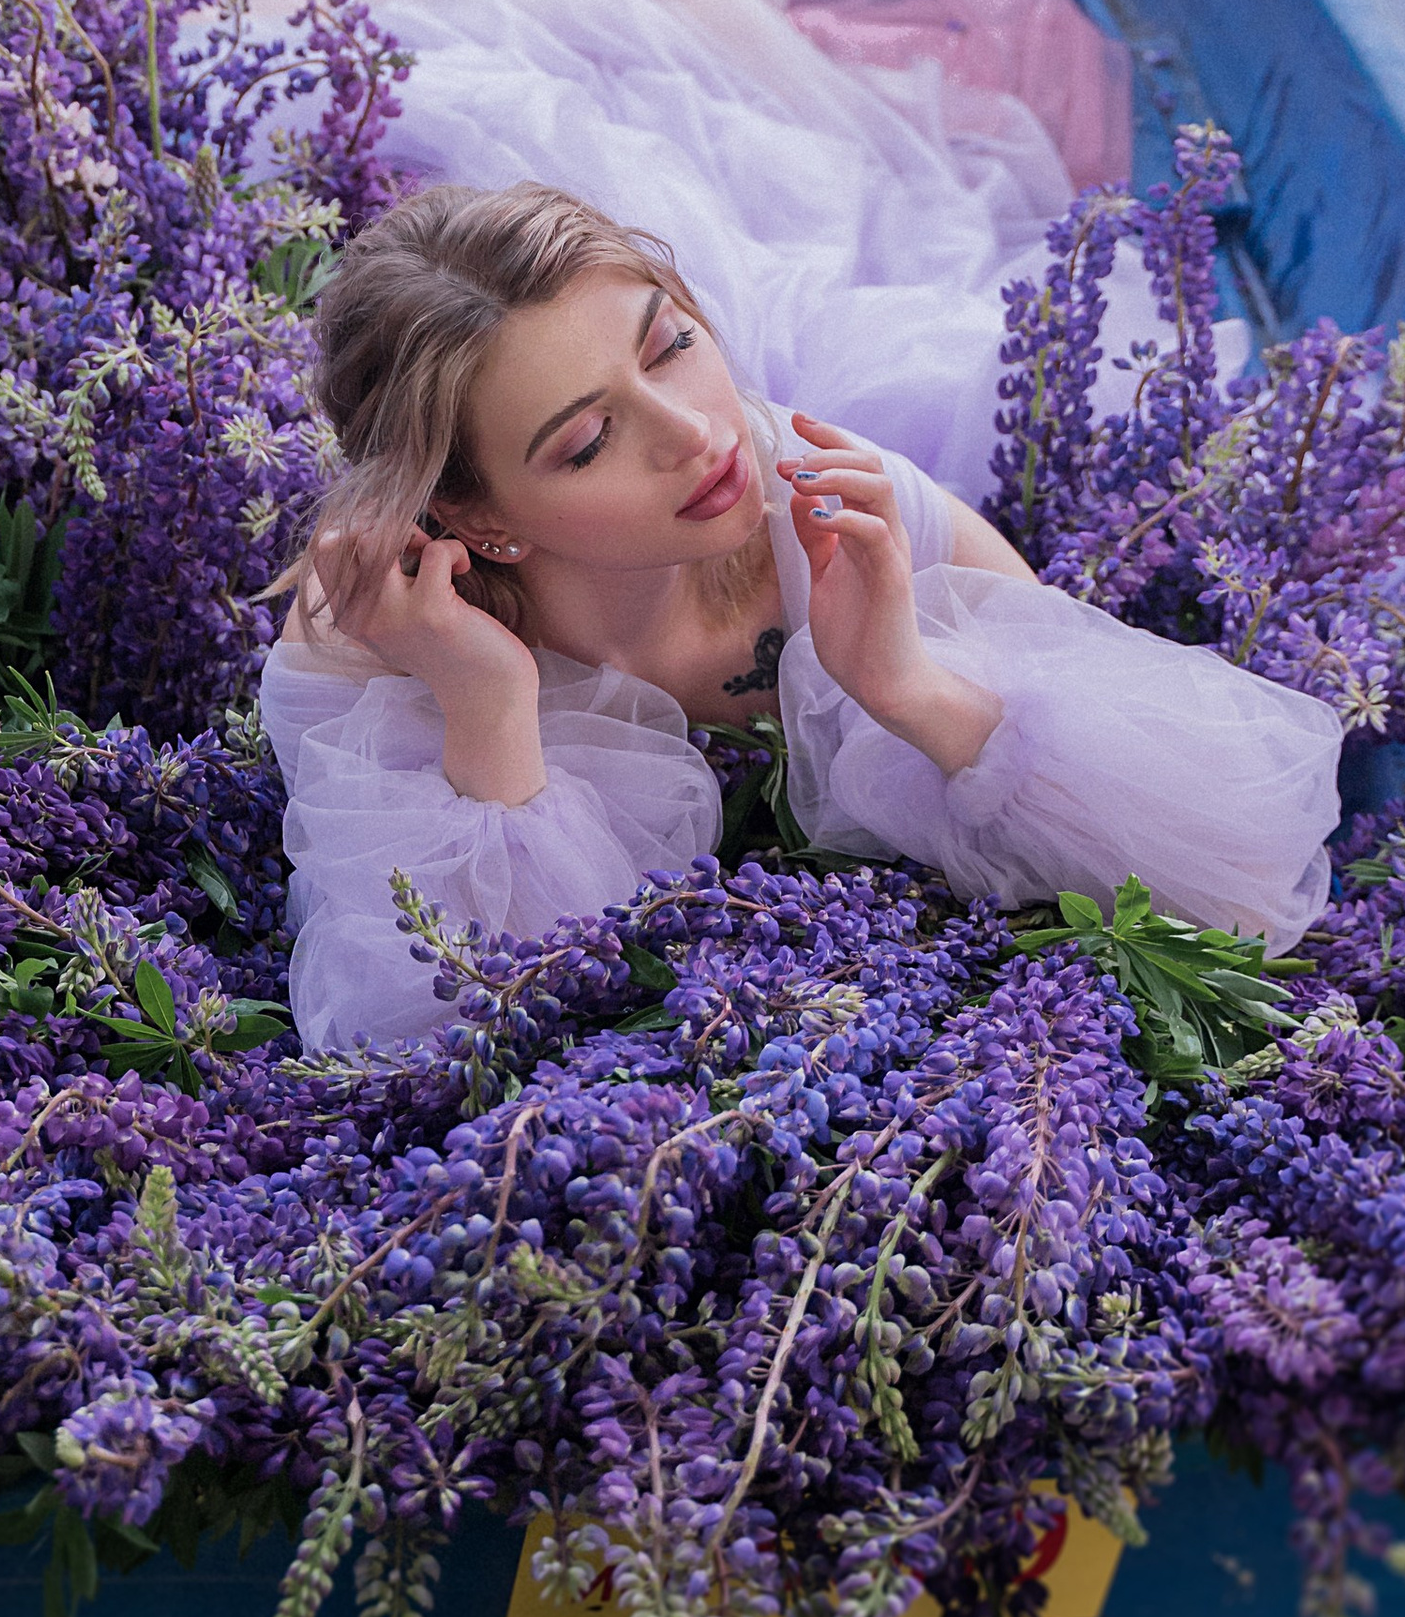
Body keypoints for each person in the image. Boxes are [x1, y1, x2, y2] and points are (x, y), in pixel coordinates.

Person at [261, 184, 1343, 1052]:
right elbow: (444, 1035)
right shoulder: (376, 643)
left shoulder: (831, 501)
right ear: (478, 517)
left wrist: (907, 688)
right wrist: (486, 707)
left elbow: (1236, 871)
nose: (693, 435)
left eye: (670, 343)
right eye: (587, 442)